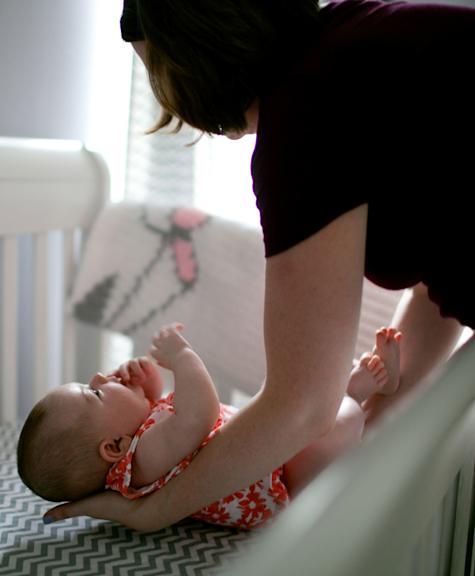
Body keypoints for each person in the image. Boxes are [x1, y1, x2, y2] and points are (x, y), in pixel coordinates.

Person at [42, 0, 474, 530]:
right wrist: (380, 422)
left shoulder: (308, 111)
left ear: (199, 62)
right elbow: (449, 260)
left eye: (165, 80)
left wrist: (154, 511)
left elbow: (300, 406)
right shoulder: (354, 40)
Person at [19, 323, 400, 529]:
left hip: (264, 452)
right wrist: (182, 357)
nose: (102, 377)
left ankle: (360, 385)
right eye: (94, 393)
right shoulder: (143, 460)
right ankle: (358, 394)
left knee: (301, 401)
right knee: (337, 428)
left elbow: (161, 406)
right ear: (114, 448)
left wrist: (147, 380)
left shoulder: (140, 450)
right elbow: (198, 415)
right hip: (275, 479)